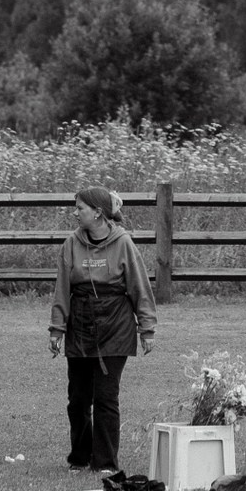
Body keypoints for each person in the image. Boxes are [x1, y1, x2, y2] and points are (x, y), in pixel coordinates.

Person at [47, 186, 157, 473]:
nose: (75, 212)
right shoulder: (71, 244)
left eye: (80, 208)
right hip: (80, 324)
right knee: (78, 399)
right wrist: (56, 329)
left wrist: (147, 328)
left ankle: (105, 462)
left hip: (115, 324)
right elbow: (62, 289)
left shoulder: (124, 243)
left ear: (97, 213)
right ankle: (80, 458)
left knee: (106, 397)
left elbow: (139, 287)